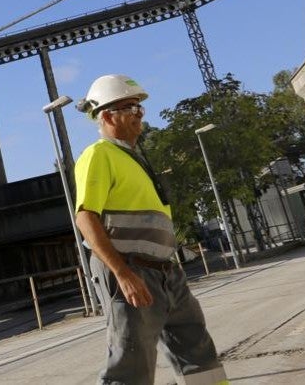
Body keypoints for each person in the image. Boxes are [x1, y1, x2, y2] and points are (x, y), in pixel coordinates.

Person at [73, 74, 228, 385]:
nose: (139, 116)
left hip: (166, 272)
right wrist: (123, 273)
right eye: (131, 109)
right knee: (131, 363)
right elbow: (86, 218)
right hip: (130, 270)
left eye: (140, 110)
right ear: (107, 115)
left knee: (197, 349)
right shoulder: (99, 155)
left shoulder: (133, 158)